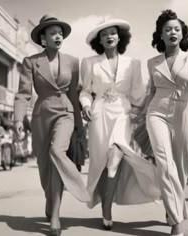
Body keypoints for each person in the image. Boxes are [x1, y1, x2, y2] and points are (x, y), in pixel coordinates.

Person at [80, 18, 160, 230]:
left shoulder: (133, 63)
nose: (109, 36)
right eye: (104, 34)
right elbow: (85, 91)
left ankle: (107, 208)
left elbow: (138, 94)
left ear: (120, 36)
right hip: (99, 115)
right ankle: (105, 205)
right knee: (101, 163)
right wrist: (86, 105)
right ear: (100, 39)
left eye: (113, 32)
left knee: (115, 158)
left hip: (123, 115)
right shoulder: (89, 62)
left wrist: (140, 109)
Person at [14, 14, 90, 236]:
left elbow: (75, 96)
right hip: (41, 116)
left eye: (60, 32)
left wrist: (79, 122)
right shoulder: (30, 62)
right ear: (43, 39)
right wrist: (19, 119)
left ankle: (56, 214)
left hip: (65, 113)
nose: (58, 36)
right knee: (45, 165)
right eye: (52, 33)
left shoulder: (73, 62)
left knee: (58, 153)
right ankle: (50, 200)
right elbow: (23, 94)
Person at [145, 10, 188, 236]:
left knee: (182, 169)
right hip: (156, 113)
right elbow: (151, 92)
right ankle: (177, 222)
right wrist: (136, 114)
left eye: (176, 29)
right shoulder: (152, 62)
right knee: (165, 164)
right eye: (167, 29)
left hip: (183, 115)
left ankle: (171, 204)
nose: (172, 32)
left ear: (183, 33)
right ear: (161, 35)